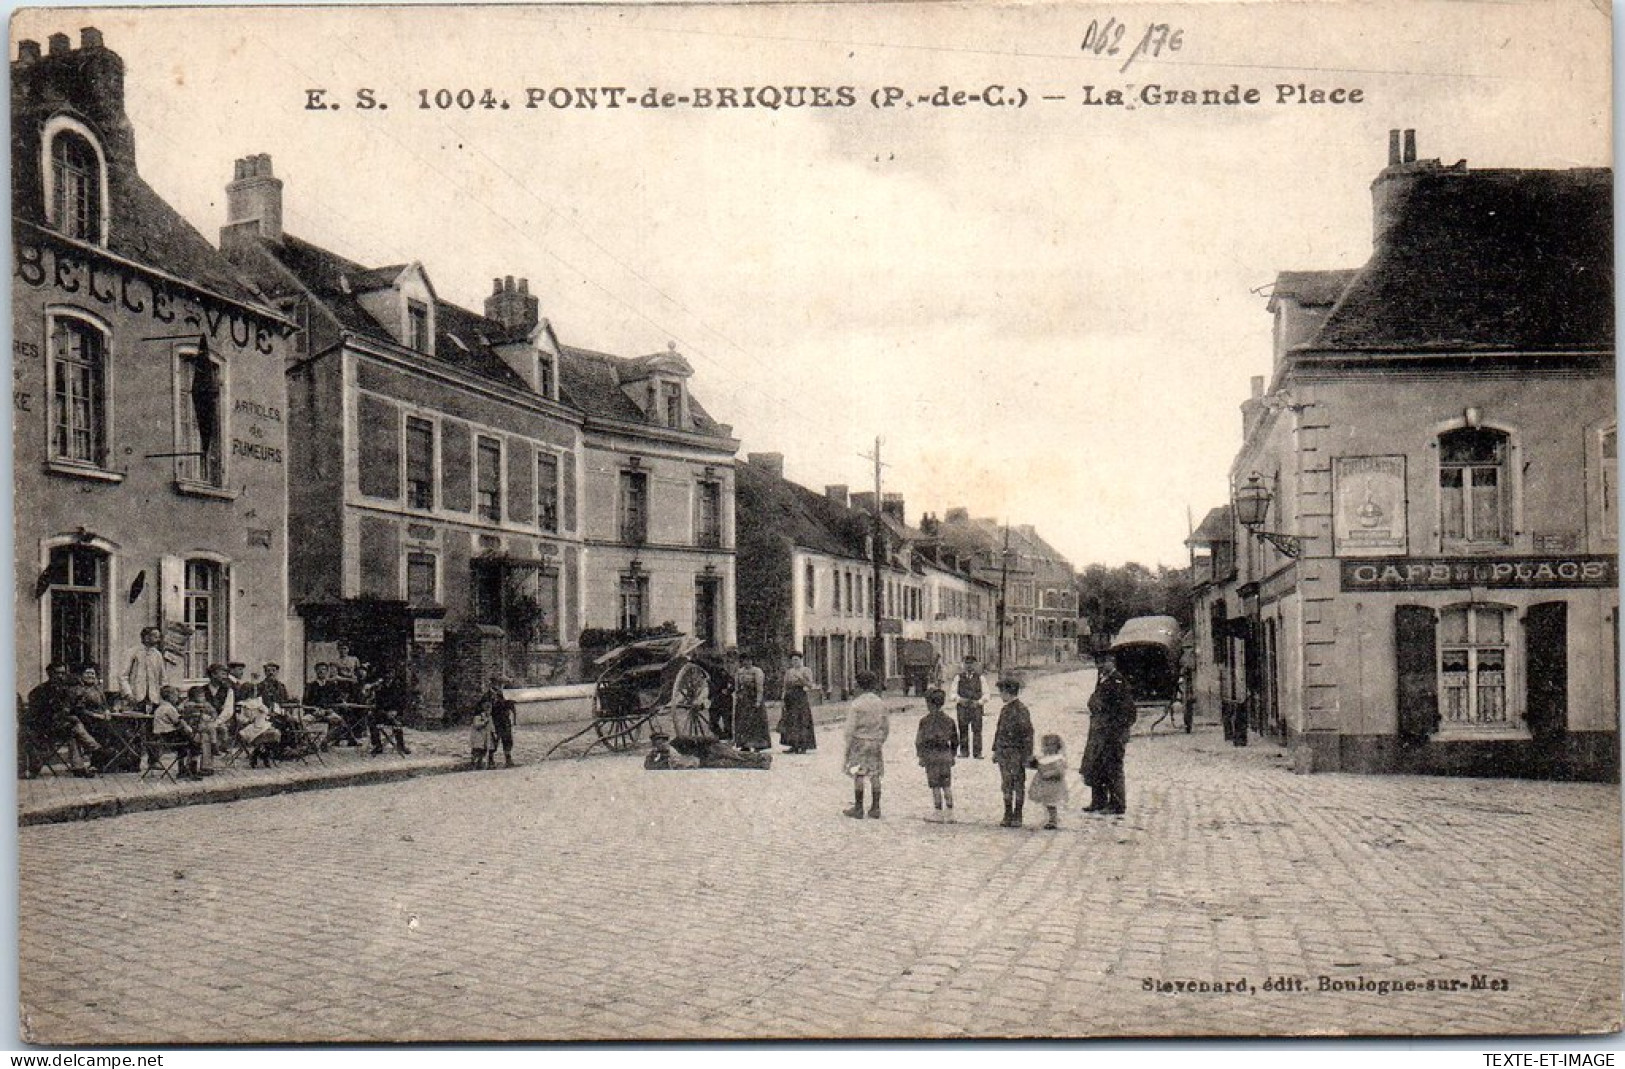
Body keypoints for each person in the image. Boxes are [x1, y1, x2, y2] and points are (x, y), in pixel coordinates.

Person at [1082, 652, 1137, 815]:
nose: (1100, 666)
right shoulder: (1102, 679)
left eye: (1103, 662)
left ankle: (1118, 804)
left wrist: (1118, 730)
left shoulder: (1118, 682)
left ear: (1111, 662)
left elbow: (1127, 711)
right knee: (1097, 764)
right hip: (1100, 731)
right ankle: (1099, 801)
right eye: (1097, 663)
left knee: (1113, 767)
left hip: (1113, 732)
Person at [842, 670, 889, 819]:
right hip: (875, 742)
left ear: (859, 686)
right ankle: (876, 807)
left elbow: (850, 728)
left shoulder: (857, 704)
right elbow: (885, 726)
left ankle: (858, 807)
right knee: (875, 774)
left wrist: (848, 746)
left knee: (859, 774)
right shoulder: (880, 703)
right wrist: (880, 740)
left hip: (859, 742)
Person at [992, 675, 1034, 828]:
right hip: (1004, 752)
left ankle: (1018, 814)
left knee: (1018, 784)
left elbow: (1028, 733)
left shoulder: (1021, 710)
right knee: (1006, 783)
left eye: (1001, 692)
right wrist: (995, 750)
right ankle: (1007, 812)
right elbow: (999, 731)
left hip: (1016, 753)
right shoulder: (1005, 709)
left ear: (1008, 692)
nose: (1000, 695)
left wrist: (1027, 754)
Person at [914, 687, 958, 821]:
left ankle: (938, 812)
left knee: (935, 786)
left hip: (931, 755)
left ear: (928, 703)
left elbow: (919, 741)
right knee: (946, 785)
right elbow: (955, 740)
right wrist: (953, 754)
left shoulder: (924, 721)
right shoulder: (949, 720)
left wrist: (921, 756)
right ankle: (950, 813)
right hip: (945, 754)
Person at [149, 685, 203, 780]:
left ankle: (182, 769)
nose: (177, 698)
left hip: (160, 736)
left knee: (184, 746)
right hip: (169, 735)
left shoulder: (160, 708)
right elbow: (179, 722)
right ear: (170, 696)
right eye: (176, 696)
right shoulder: (169, 708)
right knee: (194, 742)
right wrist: (189, 730)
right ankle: (192, 770)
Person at [118, 626, 171, 712]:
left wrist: (162, 697)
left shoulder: (157, 655)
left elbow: (163, 678)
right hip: (135, 698)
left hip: (154, 700)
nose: (158, 640)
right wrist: (128, 694)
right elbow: (123, 676)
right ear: (146, 638)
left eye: (158, 637)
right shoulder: (133, 652)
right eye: (155, 637)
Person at [369, 665, 414, 755]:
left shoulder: (398, 686)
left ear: (393, 675)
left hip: (395, 713)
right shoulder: (379, 687)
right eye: (386, 674)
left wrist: (396, 711)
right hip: (382, 713)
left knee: (397, 723)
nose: (388, 676)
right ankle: (377, 746)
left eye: (390, 674)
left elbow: (402, 702)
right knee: (372, 721)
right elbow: (377, 703)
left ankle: (401, 746)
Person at [777, 652, 817, 754]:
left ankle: (803, 745)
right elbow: (785, 686)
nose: (795, 662)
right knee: (791, 721)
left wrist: (801, 679)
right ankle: (793, 745)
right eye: (793, 660)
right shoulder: (789, 672)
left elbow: (810, 685)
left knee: (802, 720)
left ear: (801, 660)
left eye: (796, 660)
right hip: (790, 697)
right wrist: (783, 699)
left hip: (801, 696)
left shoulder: (806, 670)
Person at [731, 651, 770, 752]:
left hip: (753, 699)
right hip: (743, 701)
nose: (747, 662)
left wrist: (758, 701)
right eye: (745, 660)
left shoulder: (757, 671)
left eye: (749, 660)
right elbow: (737, 687)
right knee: (743, 722)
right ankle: (744, 744)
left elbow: (759, 687)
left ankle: (758, 745)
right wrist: (737, 697)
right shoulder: (739, 672)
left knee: (755, 722)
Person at [1029, 733, 1069, 830]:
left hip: (1053, 786)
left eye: (1051, 745)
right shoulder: (1044, 758)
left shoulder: (1058, 758)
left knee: (1051, 804)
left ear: (1057, 746)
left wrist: (1050, 773)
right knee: (1046, 803)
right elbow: (1038, 766)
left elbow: (1060, 772)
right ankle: (1049, 819)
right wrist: (1033, 762)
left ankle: (1053, 820)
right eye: (1046, 745)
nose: (1048, 748)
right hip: (1044, 785)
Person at [475, 676, 516, 767]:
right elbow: (483, 708)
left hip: (505, 720)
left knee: (507, 738)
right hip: (494, 720)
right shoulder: (488, 695)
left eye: (502, 684)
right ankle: (490, 759)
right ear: (493, 684)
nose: (500, 686)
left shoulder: (505, 694)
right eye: (498, 684)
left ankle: (508, 758)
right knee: (493, 740)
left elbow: (511, 706)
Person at [954, 655, 985, 759]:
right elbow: (952, 694)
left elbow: (987, 694)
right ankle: (964, 752)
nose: (969, 666)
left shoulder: (980, 678)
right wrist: (959, 700)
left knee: (977, 729)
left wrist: (979, 702)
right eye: (967, 664)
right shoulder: (958, 678)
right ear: (963, 665)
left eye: (971, 664)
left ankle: (977, 752)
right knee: (963, 729)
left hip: (976, 707)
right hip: (963, 707)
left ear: (975, 665)